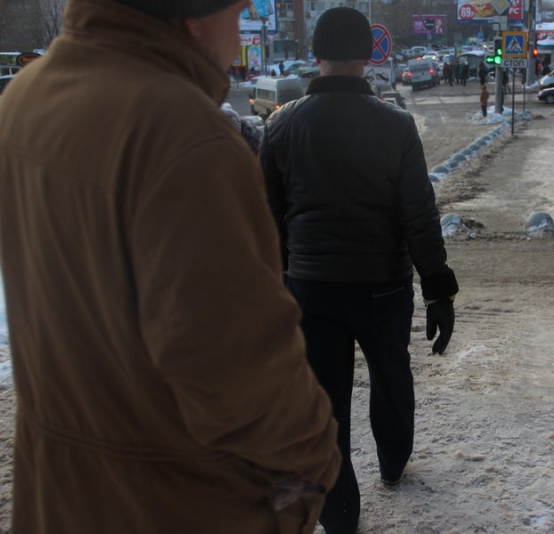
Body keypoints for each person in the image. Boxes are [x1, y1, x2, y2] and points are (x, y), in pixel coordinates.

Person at [0, 0, 340, 532]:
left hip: (61, 492)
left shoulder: (26, 95)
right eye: (236, 6)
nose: (245, 14)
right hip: (177, 501)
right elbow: (239, 368)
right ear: (194, 15)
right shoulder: (184, 135)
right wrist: (314, 465)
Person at [259, 7, 459, 534]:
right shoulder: (396, 126)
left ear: (316, 56)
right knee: (391, 377)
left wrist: (278, 290)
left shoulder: (281, 126)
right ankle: (392, 463)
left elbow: (266, 222)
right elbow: (419, 214)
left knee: (325, 401)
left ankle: (340, 514)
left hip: (311, 288)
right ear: (370, 56)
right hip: (383, 286)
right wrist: (437, 288)